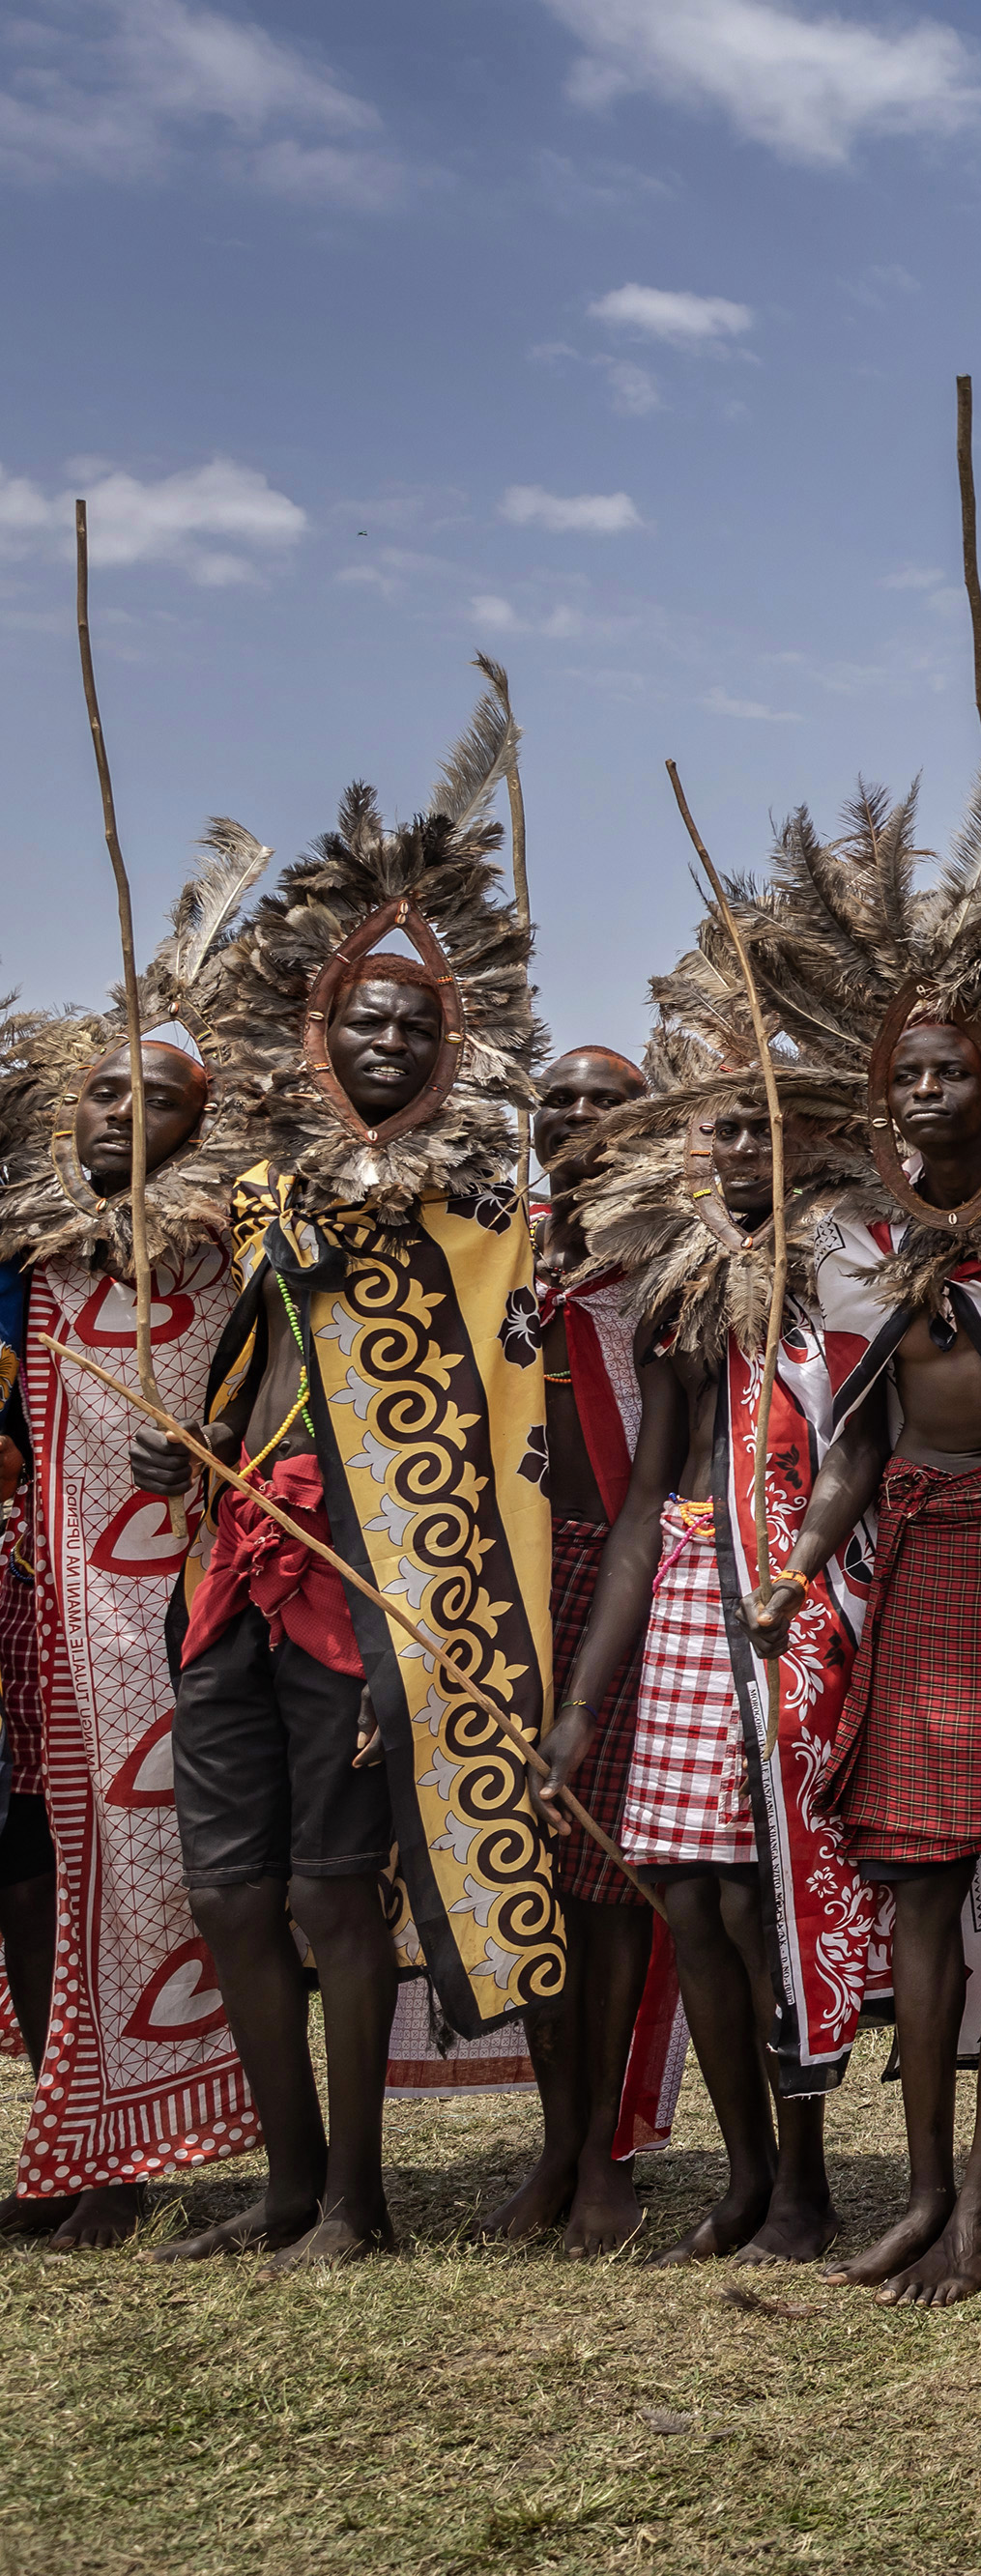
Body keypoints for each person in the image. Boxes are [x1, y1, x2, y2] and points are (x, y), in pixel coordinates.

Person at [139, 701, 566, 2271]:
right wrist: (176, 1442)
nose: (387, 1036)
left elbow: (497, 1394)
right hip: (233, 1564)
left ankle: (360, 2202)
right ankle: (280, 2181)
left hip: (372, 1581)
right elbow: (256, 1353)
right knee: (232, 1893)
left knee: (335, 1894)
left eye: (415, 1019)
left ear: (452, 1041)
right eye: (362, 1014)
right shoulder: (258, 1191)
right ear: (316, 1027)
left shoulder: (478, 1203)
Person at [741, 732, 981, 2306]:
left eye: (951, 1070)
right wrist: (797, 1570)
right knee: (914, 1884)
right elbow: (853, 1441)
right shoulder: (858, 1251)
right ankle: (919, 2193)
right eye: (904, 1076)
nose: (924, 1093)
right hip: (909, 1571)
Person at [0, 827, 270, 2247]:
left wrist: (218, 1454)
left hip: (188, 1611)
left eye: (154, 1096)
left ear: (199, 1124)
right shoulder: (35, 1253)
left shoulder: (231, 1254)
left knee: (159, 1864)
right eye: (102, 1090)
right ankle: (75, 2151)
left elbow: (293, 1410)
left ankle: (140, 2157)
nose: (120, 1113)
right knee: (49, 1869)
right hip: (45, 1611)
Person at [548, 1089, 836, 2265]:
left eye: (766, 1127)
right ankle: (747, 2177)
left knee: (764, 1901)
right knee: (689, 1898)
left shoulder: (840, 1272)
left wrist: (810, 1570)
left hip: (799, 1589)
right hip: (685, 1590)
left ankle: (807, 2186)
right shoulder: (676, 1290)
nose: (739, 1148)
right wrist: (579, 1704)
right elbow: (641, 1509)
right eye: (718, 1129)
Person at [491, 1040, 669, 2256]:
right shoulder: (491, 1246)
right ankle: (557, 2137)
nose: (584, 1115)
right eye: (561, 1097)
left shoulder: (666, 1259)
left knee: (607, 1879)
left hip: (623, 1573)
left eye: (611, 1098)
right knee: (529, 1876)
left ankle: (604, 2144)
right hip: (494, 1573)